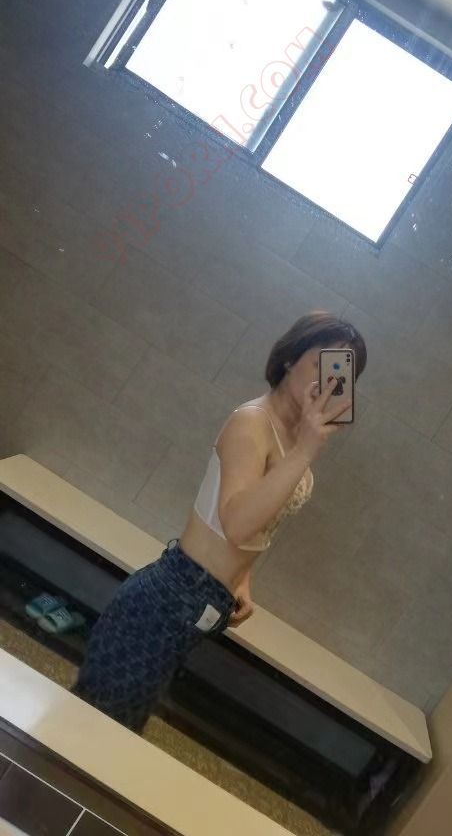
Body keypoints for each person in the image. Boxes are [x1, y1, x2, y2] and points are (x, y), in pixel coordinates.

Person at [72, 311, 367, 732]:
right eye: (323, 361)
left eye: (341, 371)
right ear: (290, 358)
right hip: (169, 596)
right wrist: (307, 450)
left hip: (200, 604)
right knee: (95, 727)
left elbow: (257, 522)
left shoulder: (292, 435)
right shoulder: (253, 422)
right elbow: (237, 524)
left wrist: (241, 578)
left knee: (119, 725)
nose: (328, 379)